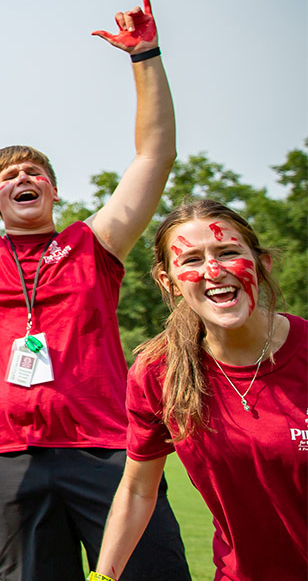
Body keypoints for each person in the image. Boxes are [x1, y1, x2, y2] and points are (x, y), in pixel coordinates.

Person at [0, 0, 190, 580]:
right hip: (7, 458)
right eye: (8, 176)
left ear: (54, 192)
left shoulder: (95, 243)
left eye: (35, 173)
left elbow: (154, 155)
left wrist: (146, 56)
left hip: (108, 448)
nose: (22, 178)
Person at [94, 201, 305, 581]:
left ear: (262, 264)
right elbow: (139, 491)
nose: (214, 270)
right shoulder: (158, 373)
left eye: (228, 252)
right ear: (168, 282)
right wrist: (102, 578)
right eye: (190, 259)